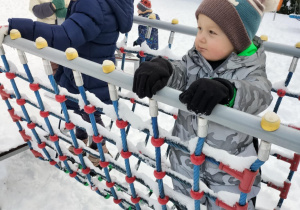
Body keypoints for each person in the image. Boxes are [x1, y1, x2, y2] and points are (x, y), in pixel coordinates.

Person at [132, 0, 279, 209]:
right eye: (200, 28)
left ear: (238, 38)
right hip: (185, 162)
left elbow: (260, 93)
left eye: (212, 32)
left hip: (228, 177)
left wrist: (228, 90)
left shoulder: (250, 69)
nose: (200, 37)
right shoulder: (196, 57)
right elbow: (180, 72)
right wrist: (164, 68)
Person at [0, 0, 134, 167]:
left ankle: (100, 152)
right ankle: (81, 139)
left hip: (87, 71)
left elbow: (65, 36)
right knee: (79, 109)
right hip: (92, 66)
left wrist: (18, 27)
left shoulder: (94, 3)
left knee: (90, 113)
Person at [29, 0, 70, 75]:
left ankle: (70, 74)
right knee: (51, 56)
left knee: (68, 53)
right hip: (47, 30)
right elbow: (37, 11)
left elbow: (77, 8)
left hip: (66, 28)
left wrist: (68, 12)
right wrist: (52, 6)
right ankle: (55, 76)